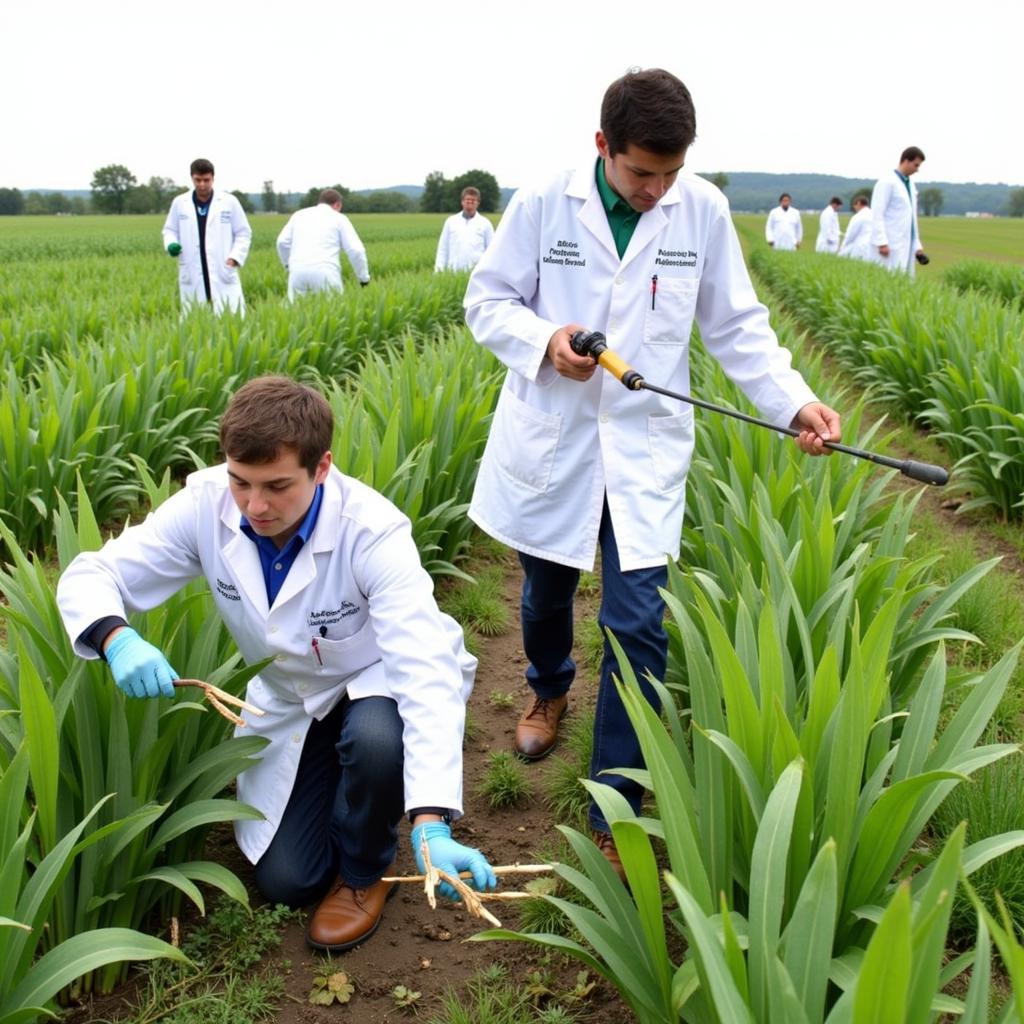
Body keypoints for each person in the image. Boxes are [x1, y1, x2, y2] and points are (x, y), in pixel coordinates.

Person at [463, 68, 840, 875]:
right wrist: (544, 342)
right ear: (603, 146)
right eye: (641, 173)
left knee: (636, 622)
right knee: (545, 593)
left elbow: (737, 325)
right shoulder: (541, 205)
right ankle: (549, 684)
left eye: (670, 173)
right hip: (556, 442)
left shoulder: (697, 210)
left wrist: (794, 403)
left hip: (642, 451)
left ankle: (616, 798)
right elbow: (486, 302)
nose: (656, 188)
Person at [56, 376, 495, 953]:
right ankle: (354, 790)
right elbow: (95, 572)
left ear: (321, 468)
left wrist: (432, 819)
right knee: (288, 880)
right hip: (292, 700)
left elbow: (424, 670)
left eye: (276, 486)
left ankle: (366, 874)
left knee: (377, 741)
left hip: (375, 683)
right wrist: (116, 638)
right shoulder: (206, 505)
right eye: (241, 482)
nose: (255, 506)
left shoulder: (372, 532)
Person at [161, 158, 252, 314]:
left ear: (213, 178)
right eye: (198, 180)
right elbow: (169, 230)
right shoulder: (180, 202)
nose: (202, 184)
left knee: (230, 318)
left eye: (206, 180)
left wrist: (235, 257)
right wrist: (171, 244)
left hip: (223, 268)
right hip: (192, 268)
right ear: (192, 178)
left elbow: (243, 232)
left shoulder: (229, 202)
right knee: (196, 321)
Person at [276, 189, 371, 301]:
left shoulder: (298, 215)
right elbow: (356, 250)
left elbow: (282, 242)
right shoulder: (339, 218)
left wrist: (288, 266)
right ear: (338, 204)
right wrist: (363, 279)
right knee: (332, 313)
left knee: (297, 314)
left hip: (297, 272)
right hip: (325, 272)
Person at [870, 146, 926, 275]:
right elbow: (877, 214)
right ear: (906, 161)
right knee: (888, 278)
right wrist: (881, 242)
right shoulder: (886, 182)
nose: (917, 170)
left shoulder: (910, 185)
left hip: (905, 243)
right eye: (915, 165)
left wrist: (917, 246)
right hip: (890, 243)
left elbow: (912, 219)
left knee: (904, 281)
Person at [434, 187, 495, 271]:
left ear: (478, 203)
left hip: (475, 273)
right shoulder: (451, 221)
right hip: (453, 272)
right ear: (462, 202)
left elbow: (491, 251)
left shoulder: (485, 224)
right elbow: (443, 248)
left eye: (473, 200)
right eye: (467, 200)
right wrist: (439, 270)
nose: (470, 202)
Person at [839, 196, 873, 261]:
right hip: (871, 247)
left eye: (855, 205)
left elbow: (850, 234)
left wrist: (842, 246)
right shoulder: (873, 214)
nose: (854, 207)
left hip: (859, 247)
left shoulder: (858, 216)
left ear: (859, 203)